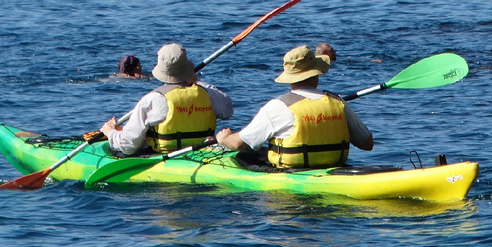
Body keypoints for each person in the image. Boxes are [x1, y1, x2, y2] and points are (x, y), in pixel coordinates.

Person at [216, 45, 373, 168]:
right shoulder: (338, 102)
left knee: (245, 154)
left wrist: (224, 138)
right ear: (317, 73)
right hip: (334, 168)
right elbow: (367, 144)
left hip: (290, 185)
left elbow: (238, 144)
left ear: (290, 78)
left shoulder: (278, 106)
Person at [100, 44, 233, 157]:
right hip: (202, 151)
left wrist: (111, 132)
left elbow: (127, 145)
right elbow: (228, 110)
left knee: (117, 148)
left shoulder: (152, 99)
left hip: (165, 155)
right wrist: (196, 81)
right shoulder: (208, 94)